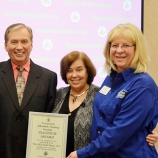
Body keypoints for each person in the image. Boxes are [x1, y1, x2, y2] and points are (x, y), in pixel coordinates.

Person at [67, 23, 158, 158]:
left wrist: (82, 153)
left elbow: (119, 132)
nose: (119, 50)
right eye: (114, 45)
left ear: (137, 49)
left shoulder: (143, 86)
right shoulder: (110, 79)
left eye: (126, 45)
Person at [52, 51, 158, 157]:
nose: (74, 75)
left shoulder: (100, 97)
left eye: (79, 70)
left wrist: (144, 132)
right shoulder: (58, 95)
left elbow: (118, 126)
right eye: (69, 71)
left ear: (88, 71)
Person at [0, 23, 57, 158]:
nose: (19, 47)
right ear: (5, 45)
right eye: (14, 42)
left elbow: (49, 120)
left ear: (31, 44)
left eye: (24, 41)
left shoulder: (48, 78)